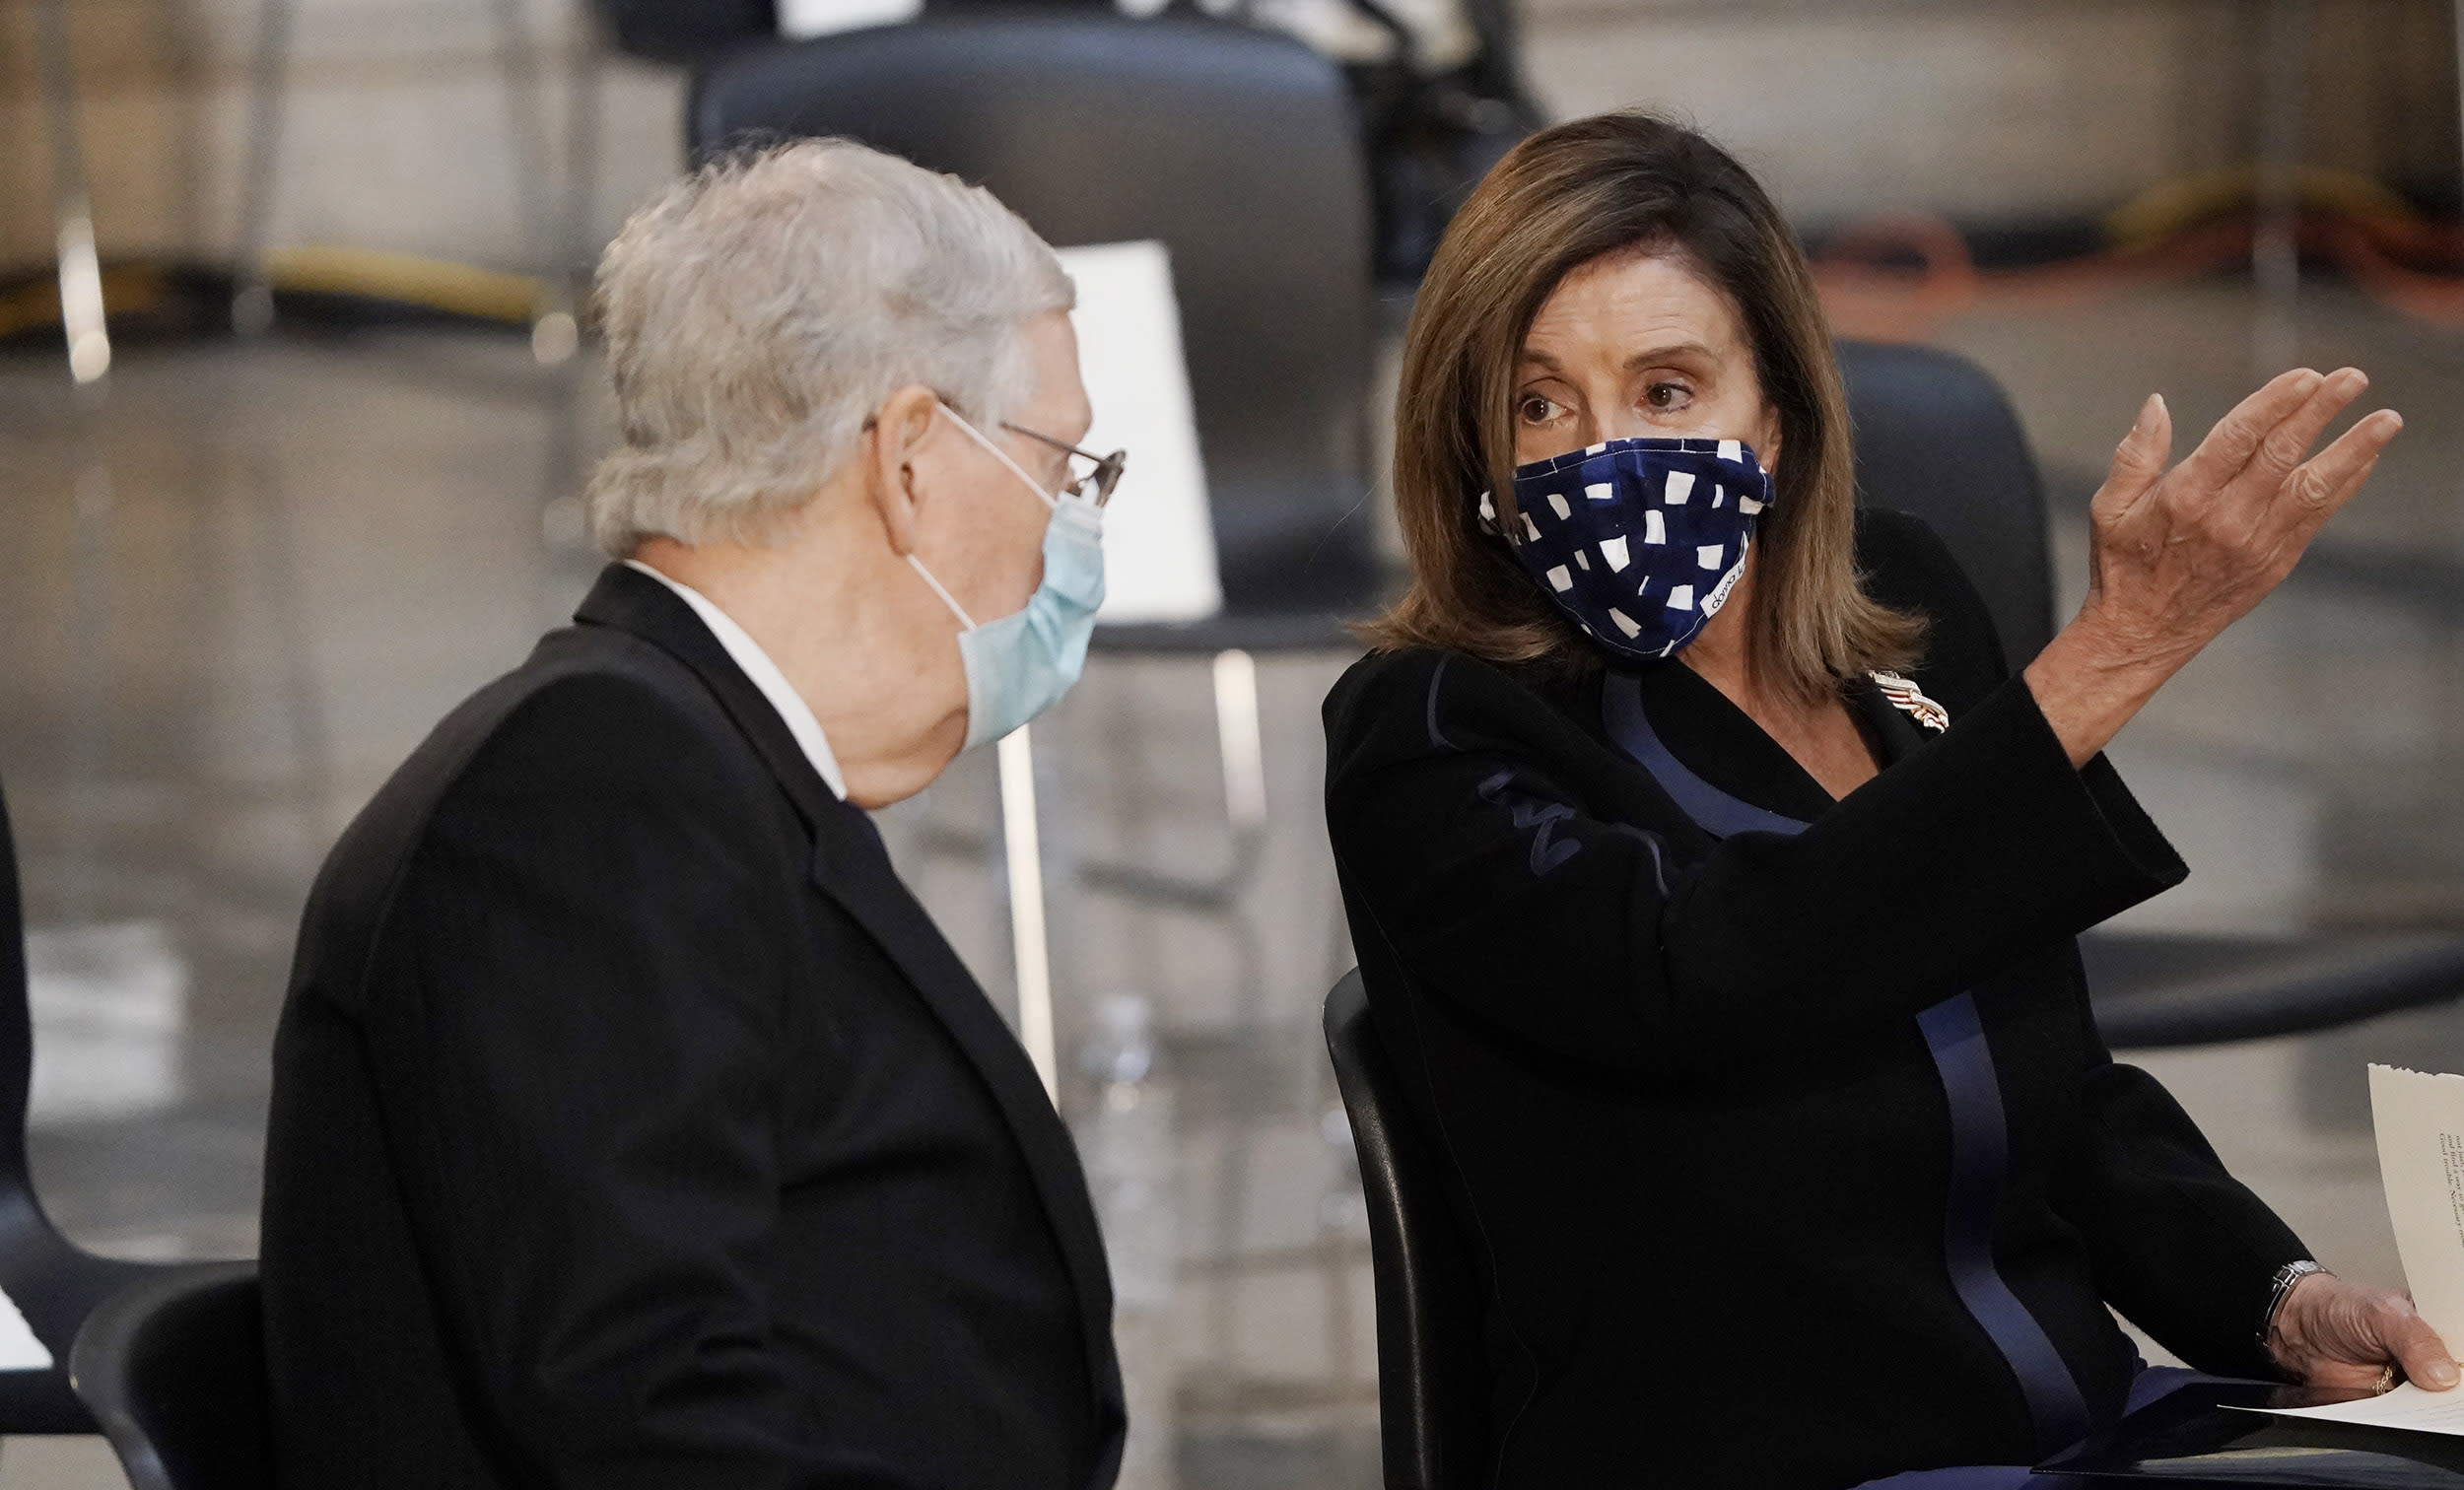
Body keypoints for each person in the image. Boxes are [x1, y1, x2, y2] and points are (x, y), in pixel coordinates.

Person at [1323, 110, 2445, 1489]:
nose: (1597, 454)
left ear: (1778, 416)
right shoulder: (1429, 730)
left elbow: (2057, 1083)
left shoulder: (1902, 609)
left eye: (1668, 392)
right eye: (1537, 403)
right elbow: (1706, 976)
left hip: (2084, 1427)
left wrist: (2273, 1290)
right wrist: (2110, 659)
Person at [259, 140, 1128, 1489]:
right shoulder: (587, 790)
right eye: (1061, 469)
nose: (1071, 533)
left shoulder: (701, 764)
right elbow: (646, 1406)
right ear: (908, 458)